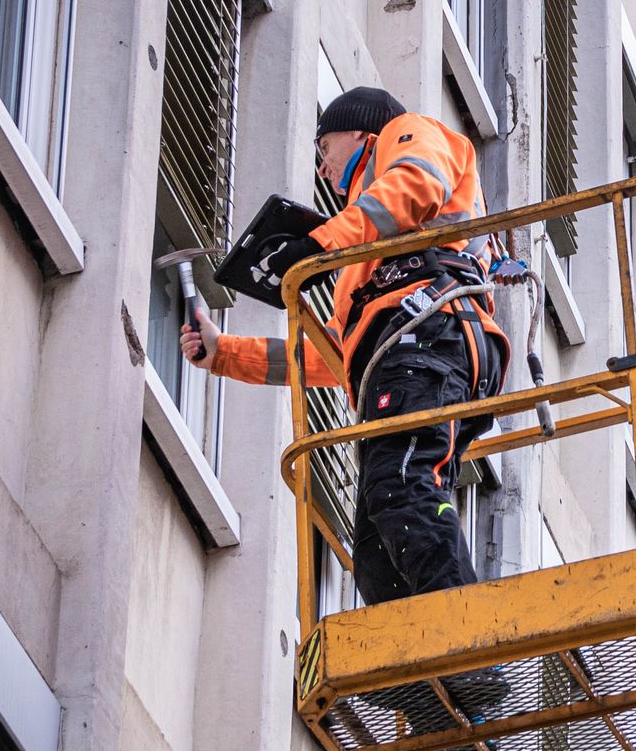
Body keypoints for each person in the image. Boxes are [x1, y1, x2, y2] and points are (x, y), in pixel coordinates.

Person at [183, 86, 509, 610]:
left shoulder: (407, 137)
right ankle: (423, 675)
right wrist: (225, 352)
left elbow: (417, 185)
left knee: (402, 487)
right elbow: (332, 356)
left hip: (432, 338)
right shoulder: (366, 258)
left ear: (360, 131)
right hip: (412, 354)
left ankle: (464, 635)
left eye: (323, 149)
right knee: (378, 542)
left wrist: (317, 244)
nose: (322, 169)